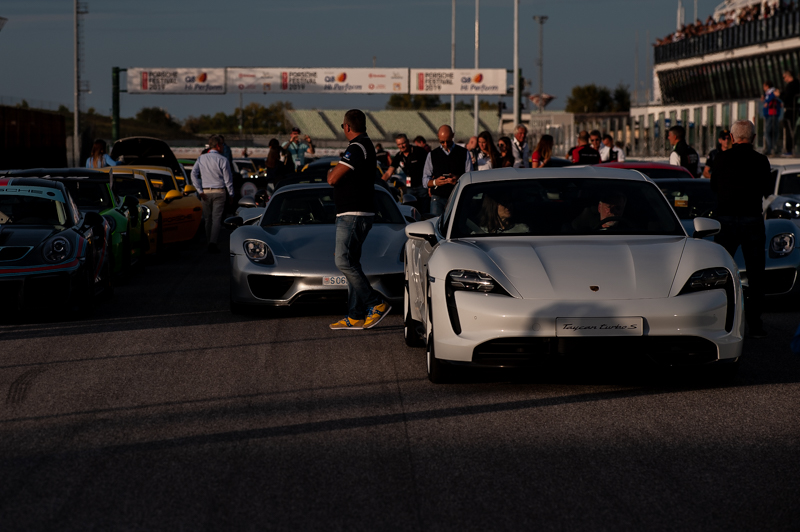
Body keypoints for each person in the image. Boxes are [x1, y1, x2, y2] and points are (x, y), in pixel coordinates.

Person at [326, 109, 390, 330]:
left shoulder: (357, 147)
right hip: (356, 212)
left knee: (342, 261)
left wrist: (332, 170)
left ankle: (376, 303)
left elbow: (332, 178)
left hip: (354, 213)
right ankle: (355, 315)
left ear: (347, 127)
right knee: (352, 263)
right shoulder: (364, 145)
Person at [710, 119, 772, 338]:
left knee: (721, 272)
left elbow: (713, 188)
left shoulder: (720, 159)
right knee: (756, 274)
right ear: (753, 138)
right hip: (752, 220)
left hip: (725, 221)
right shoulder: (761, 161)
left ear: (732, 138)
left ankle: (720, 320)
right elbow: (767, 190)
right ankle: (754, 324)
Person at [190, 135, 234, 254]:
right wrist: (231, 194)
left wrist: (199, 190)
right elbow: (228, 179)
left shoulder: (201, 158)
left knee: (208, 219)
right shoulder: (223, 159)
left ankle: (210, 242)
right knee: (216, 219)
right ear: (218, 146)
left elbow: (193, 174)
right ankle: (212, 243)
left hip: (205, 192)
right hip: (219, 191)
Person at [422, 125, 473, 216]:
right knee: (436, 225)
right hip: (438, 198)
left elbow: (470, 177)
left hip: (458, 196)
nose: (445, 144)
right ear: (438, 137)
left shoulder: (464, 153)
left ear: (453, 136)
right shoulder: (432, 155)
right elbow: (425, 181)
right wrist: (435, 182)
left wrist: (458, 180)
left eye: (448, 141)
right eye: (442, 142)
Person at [381, 134, 429, 211]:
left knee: (424, 210)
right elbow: (388, 173)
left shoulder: (419, 151)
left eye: (403, 143)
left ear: (408, 142)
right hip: (410, 188)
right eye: (399, 144)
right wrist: (380, 183)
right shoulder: (398, 156)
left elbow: (430, 166)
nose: (401, 146)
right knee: (411, 210)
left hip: (422, 186)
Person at [782, 71, 800, 156]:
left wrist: (780, 95)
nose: (784, 79)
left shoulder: (791, 86)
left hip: (791, 110)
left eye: (784, 77)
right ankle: (791, 149)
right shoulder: (797, 84)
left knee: (790, 130)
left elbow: (787, 98)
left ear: (788, 76)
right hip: (794, 110)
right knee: (791, 130)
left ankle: (790, 149)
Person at [762, 81, 782, 156]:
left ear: (767, 86)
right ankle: (772, 148)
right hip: (770, 115)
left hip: (771, 114)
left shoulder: (772, 93)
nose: (763, 88)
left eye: (764, 86)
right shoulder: (768, 94)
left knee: (768, 132)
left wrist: (767, 100)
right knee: (771, 132)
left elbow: (774, 98)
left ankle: (770, 148)